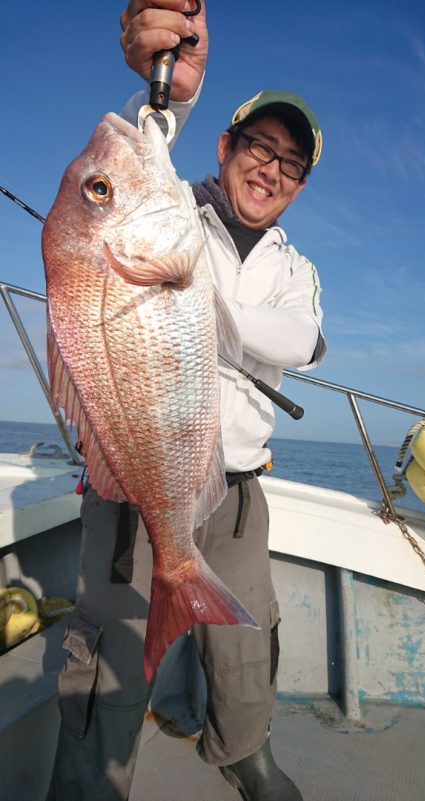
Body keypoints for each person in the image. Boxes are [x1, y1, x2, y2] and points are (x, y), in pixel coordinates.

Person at [45, 2, 326, 800]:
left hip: (236, 497)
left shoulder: (296, 269)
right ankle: (90, 782)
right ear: (223, 148)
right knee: (109, 669)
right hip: (139, 495)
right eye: (256, 147)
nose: (269, 169)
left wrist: (210, 310)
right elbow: (145, 141)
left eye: (289, 164)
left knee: (245, 650)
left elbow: (302, 338)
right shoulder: (176, 208)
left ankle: (243, 749)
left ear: (299, 189)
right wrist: (168, 87)